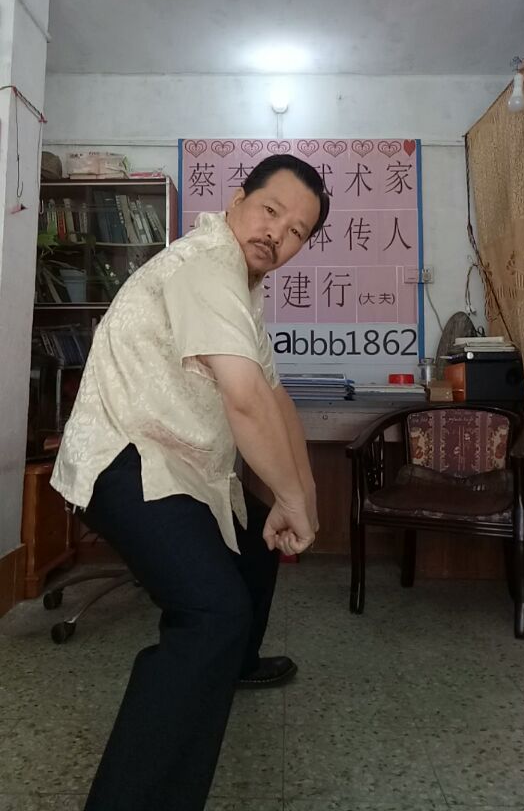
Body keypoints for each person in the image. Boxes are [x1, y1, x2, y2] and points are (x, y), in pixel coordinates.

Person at [50, 153, 330, 811]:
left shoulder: (242, 293)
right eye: (270, 211)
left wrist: (304, 498)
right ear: (236, 200)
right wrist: (290, 499)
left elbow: (277, 401)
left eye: (296, 231)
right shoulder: (207, 263)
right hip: (126, 457)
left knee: (254, 553)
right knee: (211, 614)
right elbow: (245, 400)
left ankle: (234, 664)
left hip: (183, 465)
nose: (277, 234)